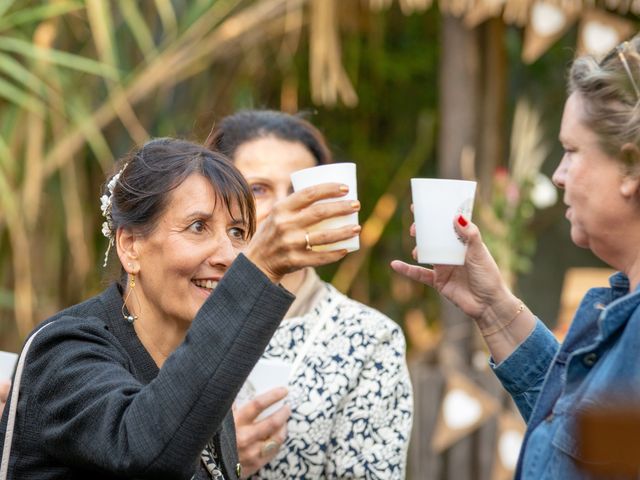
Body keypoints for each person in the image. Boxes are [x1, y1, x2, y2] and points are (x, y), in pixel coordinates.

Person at [0, 138, 361, 479]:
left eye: (238, 233)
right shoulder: (64, 349)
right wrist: (260, 268)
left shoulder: (196, 368)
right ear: (130, 247)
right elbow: (145, 452)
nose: (227, 257)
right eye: (198, 226)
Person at [392, 37, 640, 479]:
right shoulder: (621, 310)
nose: (559, 176)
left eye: (571, 151)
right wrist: (494, 310)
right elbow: (590, 447)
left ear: (631, 166)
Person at [207, 110, 413, 479]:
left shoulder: (368, 338)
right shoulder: (177, 317)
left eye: (299, 191)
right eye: (258, 189)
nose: (285, 208)